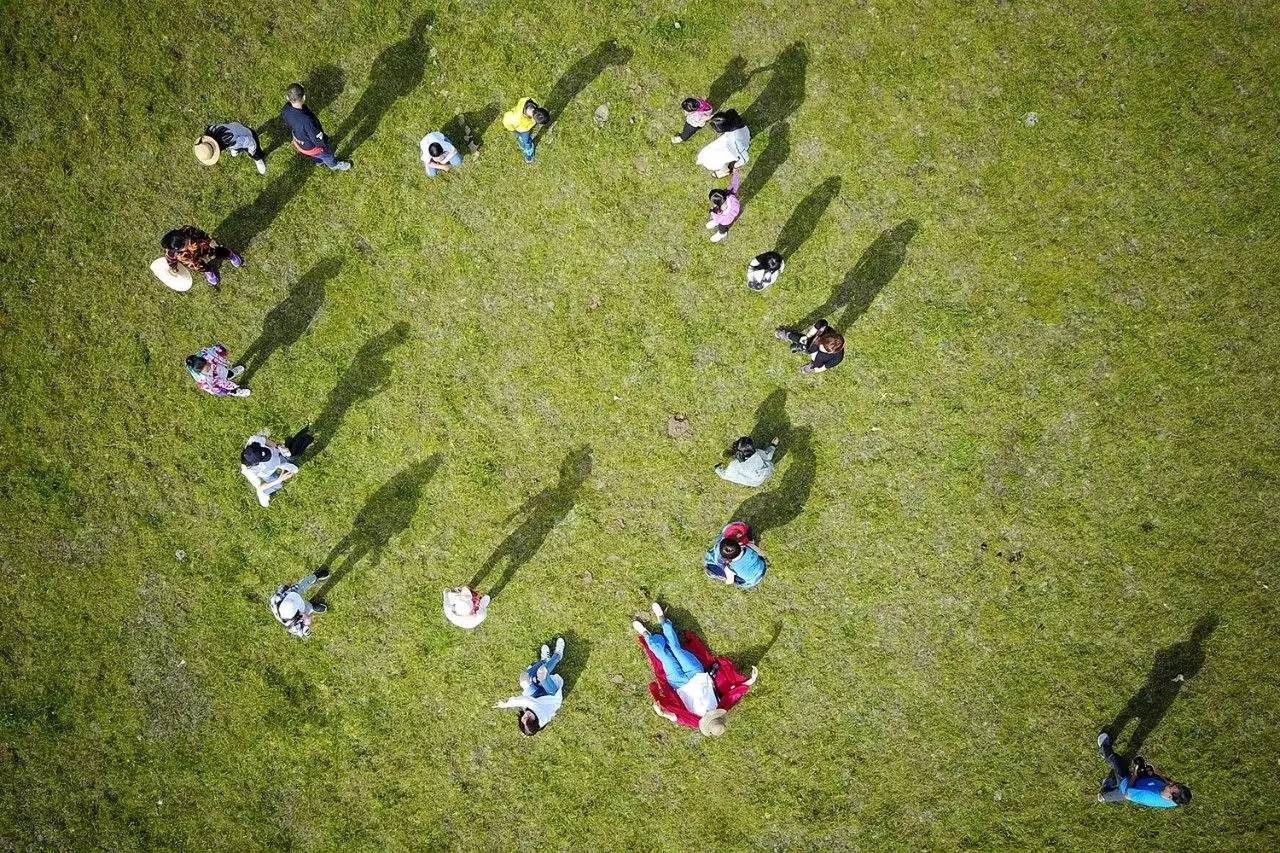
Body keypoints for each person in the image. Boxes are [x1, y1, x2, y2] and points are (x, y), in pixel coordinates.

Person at [633, 601, 757, 735]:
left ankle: (646, 634)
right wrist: (750, 681)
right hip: (696, 672)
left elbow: (678, 718)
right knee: (676, 649)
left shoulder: (696, 721)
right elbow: (733, 696)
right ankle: (662, 619)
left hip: (678, 682)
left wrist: (662, 713)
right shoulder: (722, 707)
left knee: (664, 656)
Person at [1096, 732, 1191, 808]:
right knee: (1144, 770)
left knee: (1117, 760)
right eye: (1175, 784)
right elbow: (1167, 782)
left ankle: (1103, 748)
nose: (1170, 783)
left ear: (1170, 796)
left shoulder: (1149, 796)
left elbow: (1127, 795)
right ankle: (1104, 796)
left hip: (1127, 784)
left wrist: (1135, 774)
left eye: (1171, 786)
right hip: (1143, 782)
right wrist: (1155, 771)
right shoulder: (1176, 799)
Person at [495, 637, 566, 735]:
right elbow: (527, 700)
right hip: (551, 695)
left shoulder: (530, 719)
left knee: (523, 679)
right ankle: (557, 655)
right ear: (536, 721)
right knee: (542, 673)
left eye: (523, 717)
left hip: (537, 697)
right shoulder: (542, 716)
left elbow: (528, 702)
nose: (526, 715)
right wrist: (506, 705)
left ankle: (544, 660)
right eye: (529, 718)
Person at [282, 83, 351, 171]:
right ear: (304, 97)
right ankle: (334, 165)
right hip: (312, 147)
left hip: (299, 142)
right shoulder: (307, 121)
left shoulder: (286, 109)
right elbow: (317, 139)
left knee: (316, 155)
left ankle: (318, 161)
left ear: (288, 98)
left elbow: (288, 123)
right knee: (327, 155)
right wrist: (324, 144)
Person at [161, 226, 242, 288]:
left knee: (215, 251)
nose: (186, 246)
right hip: (189, 258)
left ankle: (230, 254)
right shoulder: (171, 253)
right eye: (182, 247)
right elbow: (171, 261)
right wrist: (174, 268)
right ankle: (208, 270)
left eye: (186, 242)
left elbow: (201, 234)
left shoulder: (188, 230)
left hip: (201, 246)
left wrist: (210, 241)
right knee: (197, 265)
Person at [240, 433, 299, 507]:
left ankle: (282, 463)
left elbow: (265, 441)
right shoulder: (249, 471)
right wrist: (279, 480)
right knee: (278, 486)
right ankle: (263, 494)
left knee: (294, 467)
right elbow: (260, 487)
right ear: (256, 463)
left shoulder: (254, 441)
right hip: (267, 473)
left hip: (274, 459)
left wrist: (279, 447)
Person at [703, 521, 767, 588]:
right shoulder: (748, 546)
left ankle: (715, 573)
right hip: (762, 567)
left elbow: (730, 581)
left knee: (711, 567)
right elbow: (762, 554)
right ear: (739, 544)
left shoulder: (729, 568)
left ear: (726, 559)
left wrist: (726, 581)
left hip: (751, 581)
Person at [269, 569, 330, 638]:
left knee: (303, 584)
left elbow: (282, 588)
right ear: (295, 618)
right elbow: (301, 633)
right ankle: (312, 606)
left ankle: (316, 576)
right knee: (307, 608)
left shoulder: (277, 598)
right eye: (300, 616)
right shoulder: (294, 627)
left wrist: (287, 588)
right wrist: (305, 629)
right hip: (298, 605)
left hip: (292, 593)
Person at [194, 122, 267, 175]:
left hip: (249, 136)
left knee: (255, 150)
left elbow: (251, 142)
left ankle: (258, 160)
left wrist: (253, 153)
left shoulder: (234, 141)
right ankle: (235, 150)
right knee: (235, 146)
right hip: (237, 126)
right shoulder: (211, 129)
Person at [774, 320, 845, 374]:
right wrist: (807, 337)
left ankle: (811, 366)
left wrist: (815, 369)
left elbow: (825, 367)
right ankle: (788, 335)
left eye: (825, 349)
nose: (821, 347)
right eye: (822, 344)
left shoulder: (838, 358)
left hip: (818, 359)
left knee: (816, 364)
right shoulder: (824, 329)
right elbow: (820, 323)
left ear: (833, 351)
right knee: (802, 340)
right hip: (812, 344)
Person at [695, 108, 750, 177]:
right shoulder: (731, 116)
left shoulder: (735, 142)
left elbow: (745, 159)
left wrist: (735, 166)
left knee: (709, 161)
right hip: (737, 135)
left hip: (737, 144)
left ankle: (723, 170)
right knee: (706, 154)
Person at [185, 344, 250, 397]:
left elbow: (217, 349)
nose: (210, 368)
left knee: (226, 372)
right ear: (199, 371)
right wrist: (223, 391)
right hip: (216, 381)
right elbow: (215, 389)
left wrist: (220, 351)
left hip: (219, 369)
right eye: (207, 370)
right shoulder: (204, 380)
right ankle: (236, 391)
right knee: (227, 388)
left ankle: (231, 374)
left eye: (208, 365)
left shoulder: (205, 355)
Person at [502, 97, 549, 163]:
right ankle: (529, 153)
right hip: (522, 130)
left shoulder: (532, 103)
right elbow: (506, 122)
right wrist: (512, 130)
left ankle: (522, 141)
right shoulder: (514, 118)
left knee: (523, 138)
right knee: (527, 142)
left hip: (525, 127)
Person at [706, 170, 742, 243]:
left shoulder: (719, 214)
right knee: (718, 221)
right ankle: (717, 226)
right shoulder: (730, 194)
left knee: (721, 227)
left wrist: (713, 212)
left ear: (716, 204)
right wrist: (736, 174)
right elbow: (734, 184)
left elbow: (717, 219)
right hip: (729, 215)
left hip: (724, 221)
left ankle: (722, 233)